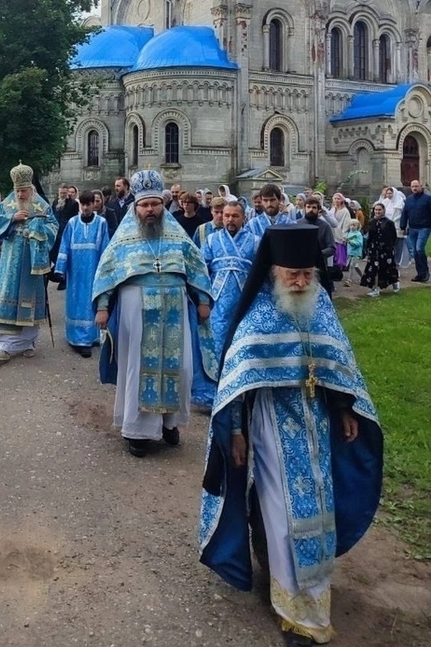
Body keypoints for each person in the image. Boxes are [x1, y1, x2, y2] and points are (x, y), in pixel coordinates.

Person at [200, 225, 383, 647]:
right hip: (269, 429)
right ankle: (293, 608)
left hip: (317, 427)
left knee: (317, 514)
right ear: (273, 273)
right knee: (284, 515)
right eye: (291, 274)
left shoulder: (320, 309)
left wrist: (343, 408)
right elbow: (237, 387)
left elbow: (336, 363)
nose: (300, 282)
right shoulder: (257, 319)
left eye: (306, 274)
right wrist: (237, 434)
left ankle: (313, 598)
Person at [93, 169, 213, 458]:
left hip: (175, 307)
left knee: (179, 368)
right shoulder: (123, 239)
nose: (150, 210)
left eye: (155, 204)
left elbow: (196, 268)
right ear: (136, 207)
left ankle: (169, 424)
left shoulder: (177, 236)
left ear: (163, 204)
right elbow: (107, 272)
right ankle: (138, 432)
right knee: (137, 367)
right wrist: (102, 306)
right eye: (144, 205)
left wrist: (202, 299)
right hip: (137, 309)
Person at [0, 164, 58, 362]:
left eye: (23, 191)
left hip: (31, 263)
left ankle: (28, 342)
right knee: (6, 301)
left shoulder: (42, 206)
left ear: (31, 188)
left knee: (30, 302)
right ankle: (3, 347)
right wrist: (12, 219)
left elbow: (53, 226)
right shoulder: (7, 204)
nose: (20, 194)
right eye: (17, 190)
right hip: (9, 262)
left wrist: (37, 232)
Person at [198, 201, 259, 385]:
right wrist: (203, 299)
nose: (230, 220)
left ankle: (240, 386)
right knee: (216, 342)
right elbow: (202, 270)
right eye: (227, 216)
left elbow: (260, 273)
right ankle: (214, 388)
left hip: (245, 301)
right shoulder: (211, 240)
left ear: (244, 218)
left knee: (241, 343)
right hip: (217, 302)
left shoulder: (255, 241)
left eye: (235, 216)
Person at [54, 190, 110, 357]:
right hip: (76, 272)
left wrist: (105, 270)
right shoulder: (72, 223)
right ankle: (77, 339)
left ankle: (92, 337)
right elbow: (64, 246)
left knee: (91, 302)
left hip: (93, 271)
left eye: (89, 204)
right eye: (83, 204)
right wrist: (60, 269)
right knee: (76, 302)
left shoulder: (101, 223)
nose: (85, 207)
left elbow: (105, 248)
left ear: (94, 204)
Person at [360, 202, 399, 297]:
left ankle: (394, 282)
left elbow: (393, 236)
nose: (377, 212)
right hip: (374, 248)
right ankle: (375, 288)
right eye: (376, 210)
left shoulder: (389, 223)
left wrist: (390, 247)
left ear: (383, 211)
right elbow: (369, 236)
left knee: (387, 267)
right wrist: (367, 248)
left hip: (385, 249)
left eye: (379, 210)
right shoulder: (371, 222)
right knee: (374, 268)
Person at [295, 196, 336, 286]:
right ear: (304, 208)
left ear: (318, 210)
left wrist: (318, 254)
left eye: (314, 207)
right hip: (299, 266)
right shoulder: (296, 224)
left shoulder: (325, 226)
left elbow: (332, 248)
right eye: (308, 207)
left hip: (319, 267)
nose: (311, 209)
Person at [399, 178, 431, 283]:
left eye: (416, 186)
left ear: (421, 186)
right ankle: (420, 274)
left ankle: (425, 272)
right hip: (412, 228)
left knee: (419, 249)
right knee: (415, 253)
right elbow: (405, 213)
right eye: (412, 187)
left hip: (424, 227)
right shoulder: (409, 199)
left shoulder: (428, 199)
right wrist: (403, 226)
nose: (414, 188)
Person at [50, 181, 79, 288]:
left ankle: (64, 278)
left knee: (64, 256)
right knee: (54, 255)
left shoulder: (73, 204)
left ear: (67, 193)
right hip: (55, 233)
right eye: (61, 193)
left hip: (66, 233)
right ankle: (58, 275)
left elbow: (74, 220)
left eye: (64, 193)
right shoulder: (55, 202)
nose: (62, 195)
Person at [343, 219, 365, 286]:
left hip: (356, 253)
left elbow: (360, 243)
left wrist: (351, 242)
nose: (352, 227)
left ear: (357, 226)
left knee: (352, 266)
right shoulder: (349, 233)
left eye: (354, 225)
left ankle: (349, 280)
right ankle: (363, 277)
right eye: (351, 225)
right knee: (355, 266)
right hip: (350, 252)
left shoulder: (358, 234)